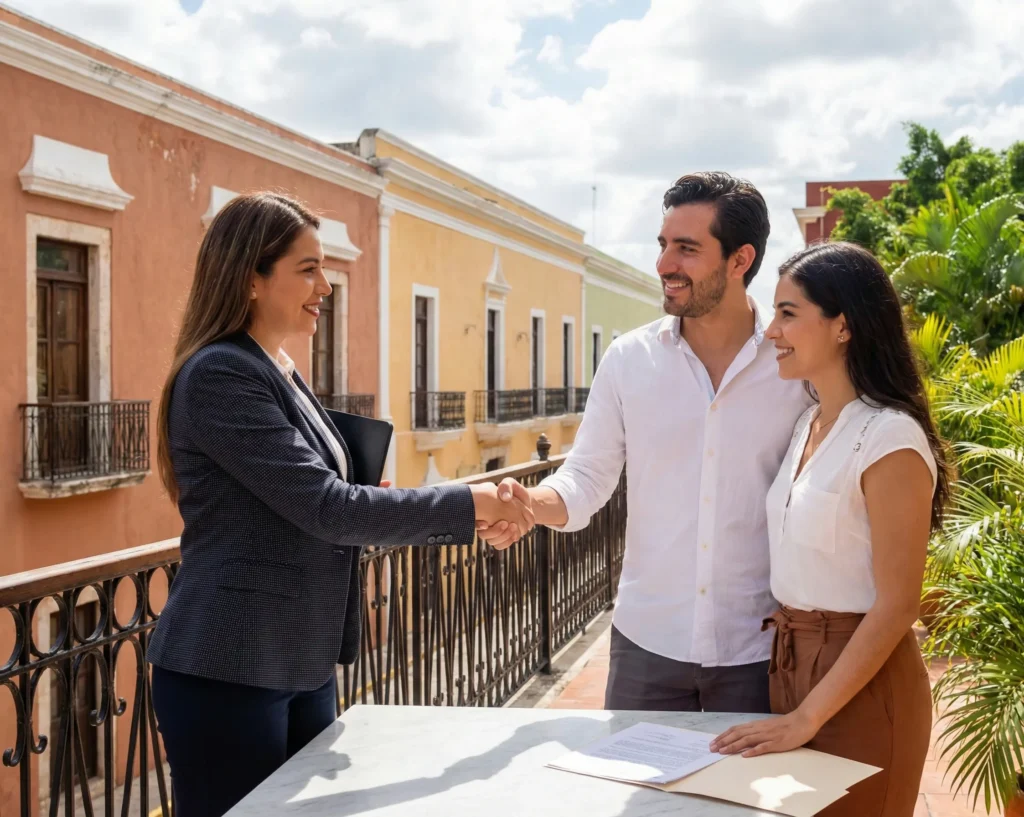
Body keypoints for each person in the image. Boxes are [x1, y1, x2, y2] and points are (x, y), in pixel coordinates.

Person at [147, 192, 533, 817]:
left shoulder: (277, 368)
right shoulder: (221, 374)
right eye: (307, 268)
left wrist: (424, 509)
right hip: (228, 670)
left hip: (299, 661)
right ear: (251, 277)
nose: (324, 285)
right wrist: (468, 502)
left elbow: (323, 503)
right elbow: (329, 509)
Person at [479, 172, 813, 712]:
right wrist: (531, 506)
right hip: (646, 648)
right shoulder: (629, 360)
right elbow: (587, 475)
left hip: (759, 649)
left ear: (739, 259)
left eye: (686, 248)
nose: (664, 265)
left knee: (743, 800)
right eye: (663, 245)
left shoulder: (796, 366)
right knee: (639, 796)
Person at [710, 242, 951, 817]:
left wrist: (808, 716)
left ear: (843, 326)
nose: (771, 331)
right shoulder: (809, 423)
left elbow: (898, 605)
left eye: (789, 313)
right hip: (792, 664)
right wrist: (795, 706)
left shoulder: (888, 437)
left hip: (863, 683)